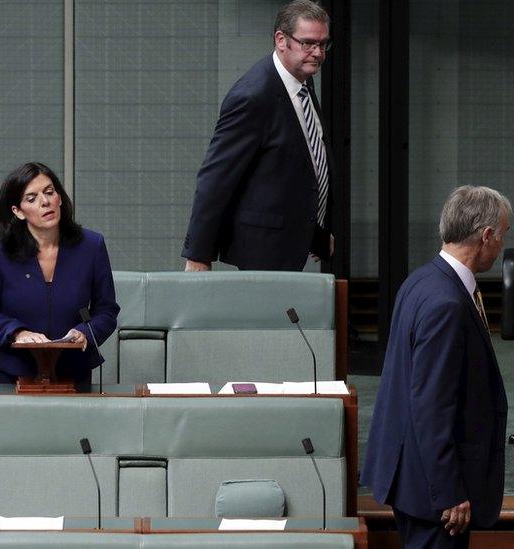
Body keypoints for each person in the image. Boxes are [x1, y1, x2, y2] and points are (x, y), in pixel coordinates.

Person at [361, 186, 510, 549]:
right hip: (435, 493)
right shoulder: (447, 303)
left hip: (411, 473)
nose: (503, 245)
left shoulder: (421, 280)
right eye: (503, 235)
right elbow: (431, 404)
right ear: (486, 236)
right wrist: (449, 491)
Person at [181, 0, 333, 272]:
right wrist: (198, 256)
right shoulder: (254, 95)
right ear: (281, 40)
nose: (318, 53)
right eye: (308, 43)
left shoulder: (302, 81)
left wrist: (318, 232)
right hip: (264, 251)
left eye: (323, 44)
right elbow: (216, 178)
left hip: (295, 241)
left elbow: (302, 162)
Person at [0, 162, 119, 384]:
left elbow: (106, 311)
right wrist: (17, 333)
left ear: (59, 198)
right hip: (12, 370)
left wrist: (85, 332)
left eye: (49, 192)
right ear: (17, 211)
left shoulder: (91, 246)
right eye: (32, 198)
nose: (45, 202)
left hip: (73, 370)